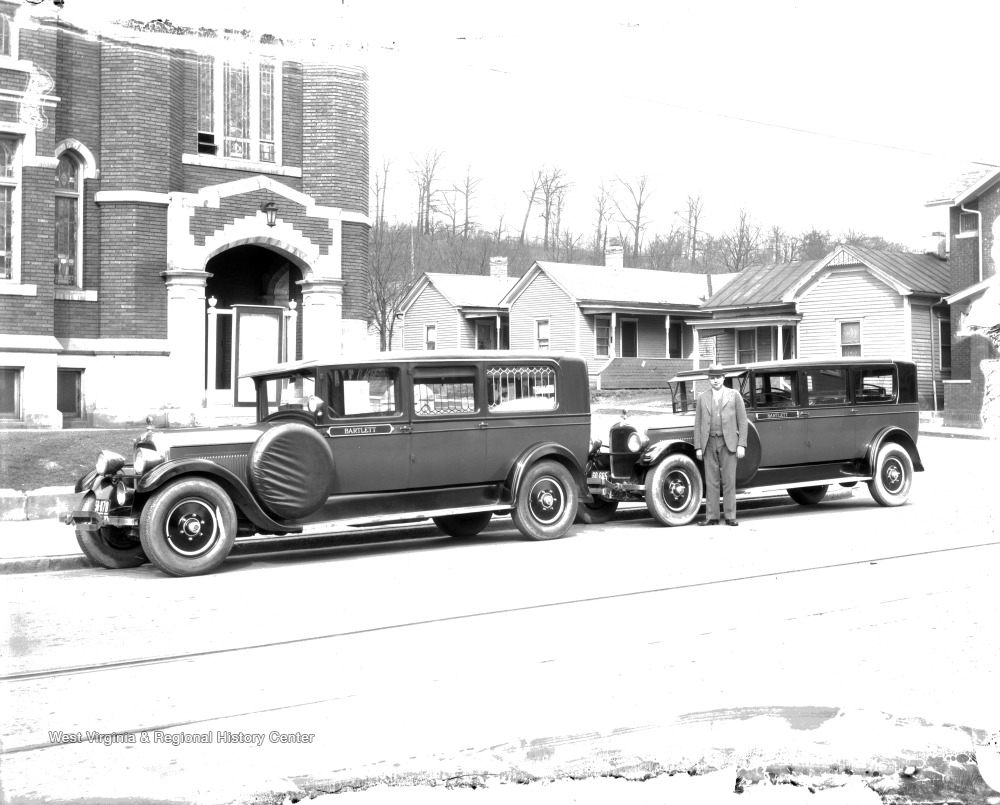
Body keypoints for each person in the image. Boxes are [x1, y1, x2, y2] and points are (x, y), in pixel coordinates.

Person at [693, 363, 748, 526]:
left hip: (728, 443)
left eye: (718, 377)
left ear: (724, 378)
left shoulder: (734, 395)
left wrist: (741, 444)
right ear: (709, 379)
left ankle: (730, 516)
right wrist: (698, 447)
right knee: (711, 481)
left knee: (729, 480)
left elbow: (743, 421)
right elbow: (697, 424)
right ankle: (712, 517)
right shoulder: (702, 397)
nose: (715, 380)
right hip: (709, 443)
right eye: (712, 377)